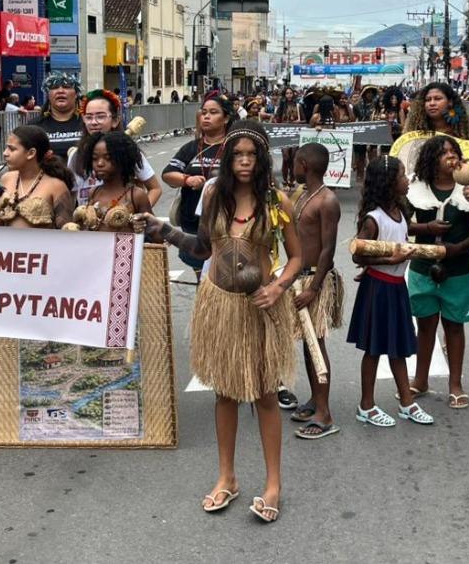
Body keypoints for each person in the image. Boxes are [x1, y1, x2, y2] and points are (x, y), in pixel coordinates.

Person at [138, 120, 303, 524]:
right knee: (225, 393)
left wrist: (280, 287)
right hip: (219, 304)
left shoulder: (277, 201)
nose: (245, 162)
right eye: (238, 155)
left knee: (265, 394)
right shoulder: (213, 196)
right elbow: (201, 247)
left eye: (252, 155)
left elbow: (298, 257)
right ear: (227, 159)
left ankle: (273, 485)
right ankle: (226, 476)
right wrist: (166, 231)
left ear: (262, 159)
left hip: (262, 307)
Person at [346, 155, 431, 428]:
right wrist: (389, 261)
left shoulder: (400, 211)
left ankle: (406, 401)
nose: (408, 180)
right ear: (389, 183)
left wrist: (428, 228)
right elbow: (358, 255)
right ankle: (366, 405)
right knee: (373, 349)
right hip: (378, 289)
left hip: (396, 288)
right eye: (403, 176)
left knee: (398, 348)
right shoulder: (373, 220)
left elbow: (402, 233)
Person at [407, 135, 469, 409]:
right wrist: (427, 229)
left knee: (454, 327)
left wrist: (456, 248)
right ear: (430, 159)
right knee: (425, 326)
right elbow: (399, 223)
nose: (450, 156)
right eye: (443, 152)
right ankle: (420, 380)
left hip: (457, 270)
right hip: (423, 268)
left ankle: (455, 384)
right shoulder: (415, 188)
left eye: (454, 151)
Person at [287, 143, 343, 439]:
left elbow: (328, 250)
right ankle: (315, 399)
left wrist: (314, 287)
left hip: (315, 282)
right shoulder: (303, 195)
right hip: (301, 279)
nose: (293, 167)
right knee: (309, 346)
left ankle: (325, 415)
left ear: (304, 165)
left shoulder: (327, 201)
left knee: (316, 345)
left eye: (295, 162)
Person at [162, 92, 236, 278]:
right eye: (204, 113)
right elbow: (167, 174)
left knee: (224, 279)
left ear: (226, 118)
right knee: (201, 281)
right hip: (193, 225)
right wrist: (187, 180)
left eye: (213, 112)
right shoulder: (191, 148)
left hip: (227, 223)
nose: (207, 116)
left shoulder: (234, 147)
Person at [71, 90, 162, 207]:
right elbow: (71, 194)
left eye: (100, 116)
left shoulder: (127, 152)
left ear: (115, 120)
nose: (93, 122)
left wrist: (137, 213)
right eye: (88, 117)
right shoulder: (76, 155)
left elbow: (155, 189)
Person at [0, 125, 74, 230]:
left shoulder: (56, 186)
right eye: (6, 147)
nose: (5, 153)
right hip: (7, 245)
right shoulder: (6, 178)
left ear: (31, 153)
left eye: (12, 149)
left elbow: (67, 232)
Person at [84, 132, 153, 230]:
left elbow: (156, 235)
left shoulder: (136, 195)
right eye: (95, 158)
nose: (99, 163)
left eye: (108, 158)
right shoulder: (94, 192)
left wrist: (143, 226)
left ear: (123, 160)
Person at [31, 73, 86, 159]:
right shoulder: (34, 126)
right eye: (54, 87)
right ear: (48, 95)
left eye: (66, 87)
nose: (60, 91)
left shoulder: (88, 123)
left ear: (76, 94)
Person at [404, 81, 469, 141]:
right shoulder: (415, 133)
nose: (432, 103)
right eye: (428, 100)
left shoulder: (462, 132)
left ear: (450, 102)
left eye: (437, 99)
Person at [274, 87, 301, 189]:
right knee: (286, 157)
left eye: (290, 93)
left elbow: (304, 120)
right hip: (284, 134)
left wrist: (298, 122)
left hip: (294, 134)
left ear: (293, 94)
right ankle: (285, 179)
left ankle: (292, 179)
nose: (289, 95)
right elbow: (277, 120)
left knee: (293, 157)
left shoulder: (298, 106)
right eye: (287, 93)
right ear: (285, 95)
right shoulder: (281, 106)